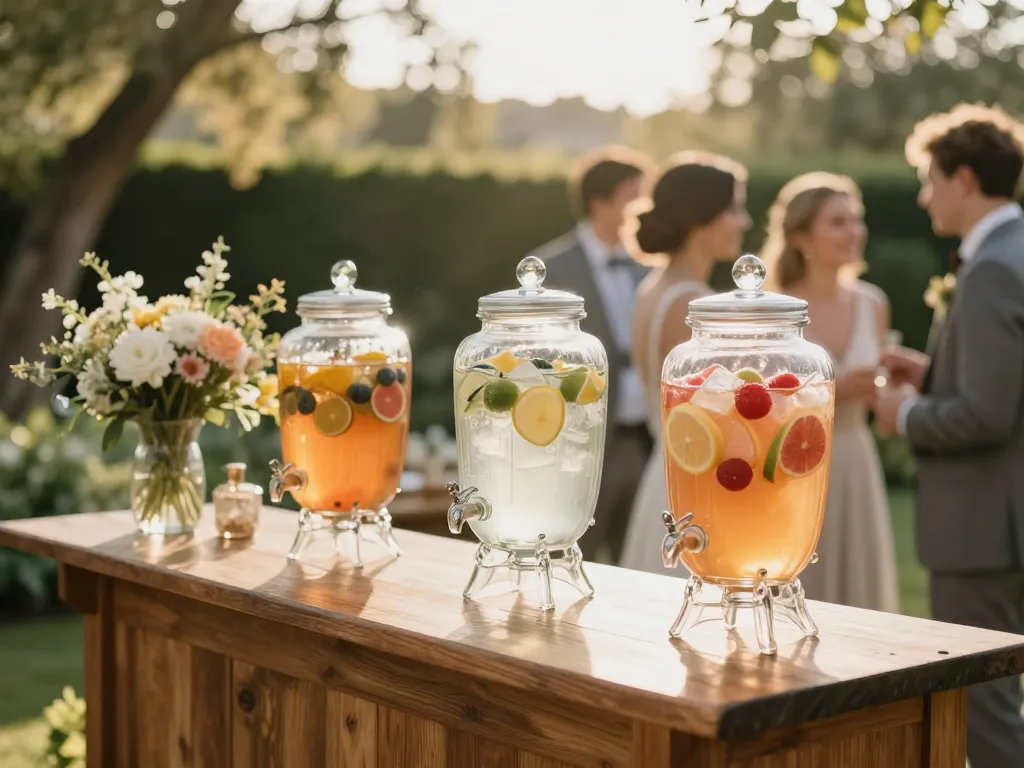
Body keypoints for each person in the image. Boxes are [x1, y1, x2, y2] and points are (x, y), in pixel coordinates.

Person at [876, 104, 1024, 768]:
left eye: (929, 178)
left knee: (985, 714)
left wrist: (902, 414)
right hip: (1002, 518)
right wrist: (931, 372)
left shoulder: (993, 266)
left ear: (963, 177)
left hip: (982, 529)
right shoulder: (1009, 249)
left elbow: (988, 414)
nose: (922, 194)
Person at [761, 172, 900, 613]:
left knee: (858, 585)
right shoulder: (772, 307)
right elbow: (757, 400)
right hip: (793, 462)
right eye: (838, 222)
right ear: (802, 234)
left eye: (856, 220)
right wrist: (836, 388)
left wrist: (888, 387)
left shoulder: (872, 303)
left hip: (855, 458)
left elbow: (880, 396)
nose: (854, 231)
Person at [619, 151, 751, 574]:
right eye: (733, 209)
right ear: (701, 216)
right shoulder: (691, 302)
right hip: (694, 479)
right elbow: (713, 411)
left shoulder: (653, 288)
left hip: (666, 471)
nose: (744, 221)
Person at [529, 145, 655, 564]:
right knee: (568, 555)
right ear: (601, 202)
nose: (644, 209)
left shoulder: (648, 268)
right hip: (583, 442)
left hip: (645, 441)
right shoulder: (551, 267)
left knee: (639, 561)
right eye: (634, 198)